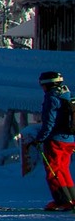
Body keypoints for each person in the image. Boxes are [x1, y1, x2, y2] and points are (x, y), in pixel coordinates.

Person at [27, 70, 75, 211]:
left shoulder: (52, 97)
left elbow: (49, 123)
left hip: (56, 140)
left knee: (53, 170)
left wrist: (40, 139)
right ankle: (71, 199)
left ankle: (62, 201)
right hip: (69, 140)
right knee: (63, 169)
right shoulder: (67, 94)